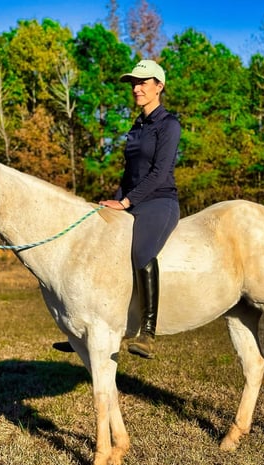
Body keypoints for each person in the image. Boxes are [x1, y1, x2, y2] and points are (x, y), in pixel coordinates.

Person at [98, 59, 181, 359]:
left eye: (143, 82)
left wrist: (126, 202)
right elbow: (128, 172)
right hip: (131, 199)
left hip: (160, 201)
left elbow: (159, 173)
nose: (136, 87)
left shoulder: (169, 124)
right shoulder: (137, 126)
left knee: (140, 251)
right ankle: (97, 326)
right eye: (134, 82)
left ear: (159, 87)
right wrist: (115, 201)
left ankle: (147, 333)